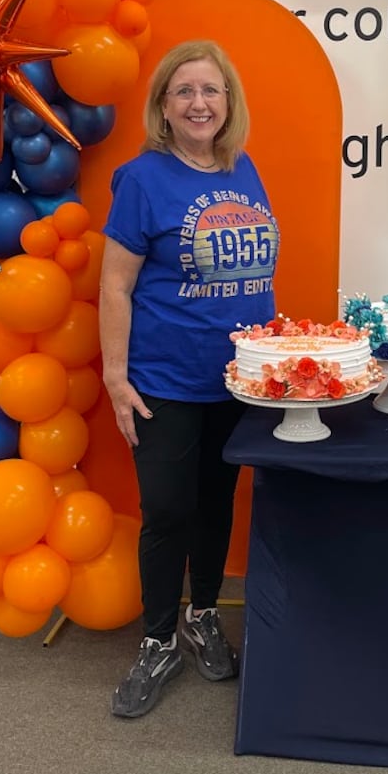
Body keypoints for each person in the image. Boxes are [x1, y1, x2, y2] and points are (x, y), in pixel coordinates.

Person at [99, 39, 279, 719]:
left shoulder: (244, 168)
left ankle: (202, 613)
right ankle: (156, 638)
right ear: (164, 108)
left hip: (237, 381)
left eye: (211, 90)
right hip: (163, 381)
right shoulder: (143, 178)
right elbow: (115, 286)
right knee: (168, 510)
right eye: (185, 92)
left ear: (227, 102)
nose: (200, 102)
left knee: (215, 504)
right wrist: (117, 379)